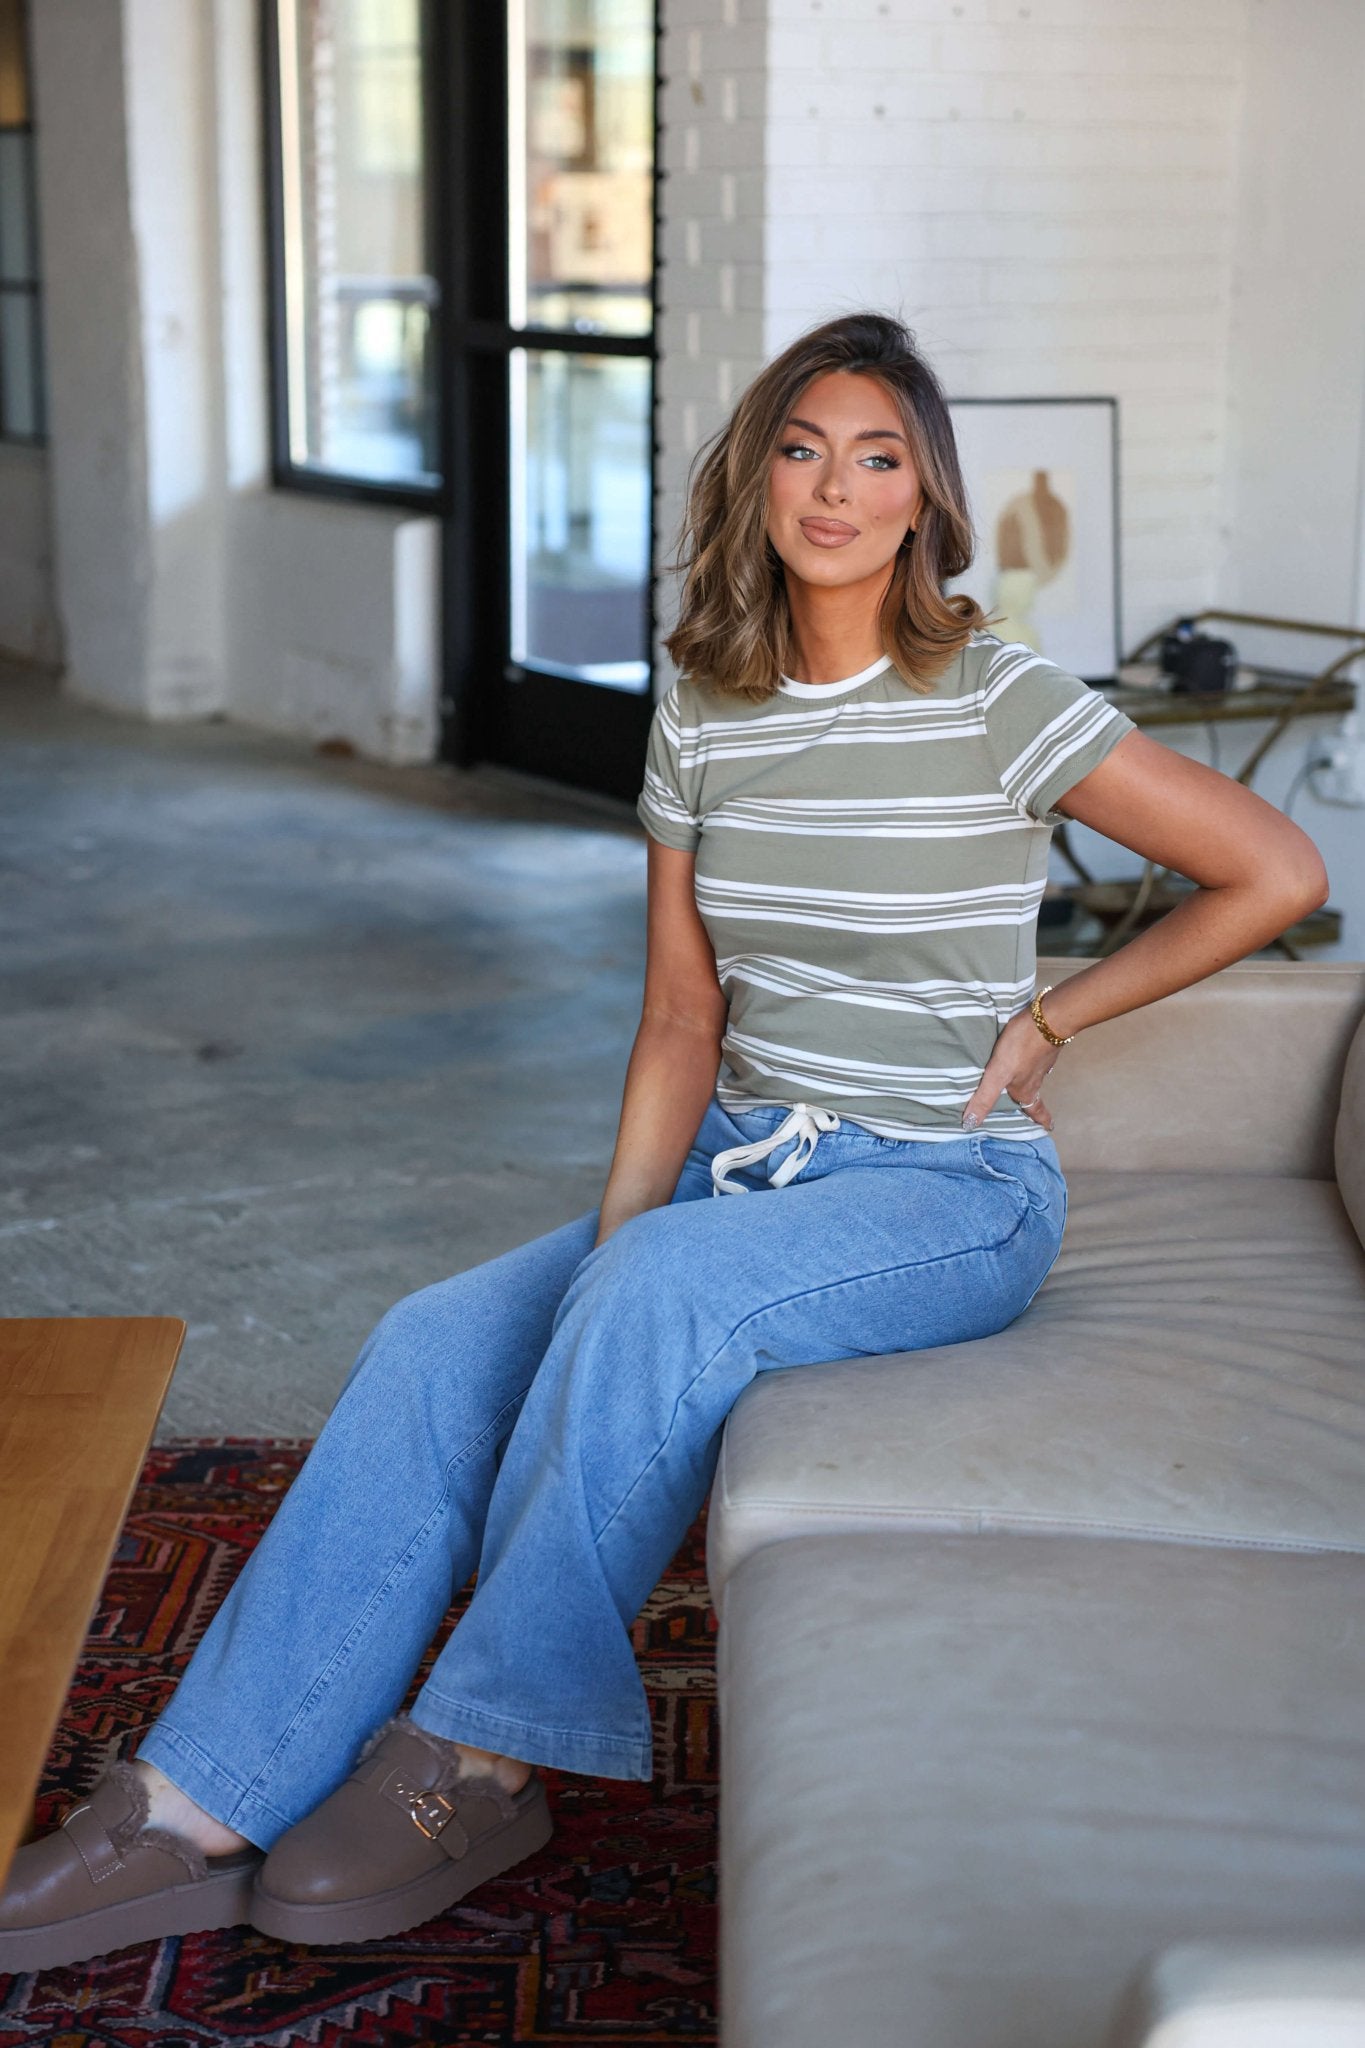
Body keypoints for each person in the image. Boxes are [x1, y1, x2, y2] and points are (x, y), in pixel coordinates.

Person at [0, 310, 1328, 1972]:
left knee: (660, 1293)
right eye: (801, 451)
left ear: (923, 498)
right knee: (438, 1340)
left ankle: (481, 1757)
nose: (834, 489)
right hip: (742, 1172)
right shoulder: (704, 706)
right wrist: (621, 1231)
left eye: (877, 458)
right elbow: (681, 1020)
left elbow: (1274, 872)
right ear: (754, 480)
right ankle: (199, 1801)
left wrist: (1053, 1018)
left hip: (947, 1185)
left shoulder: (997, 697)